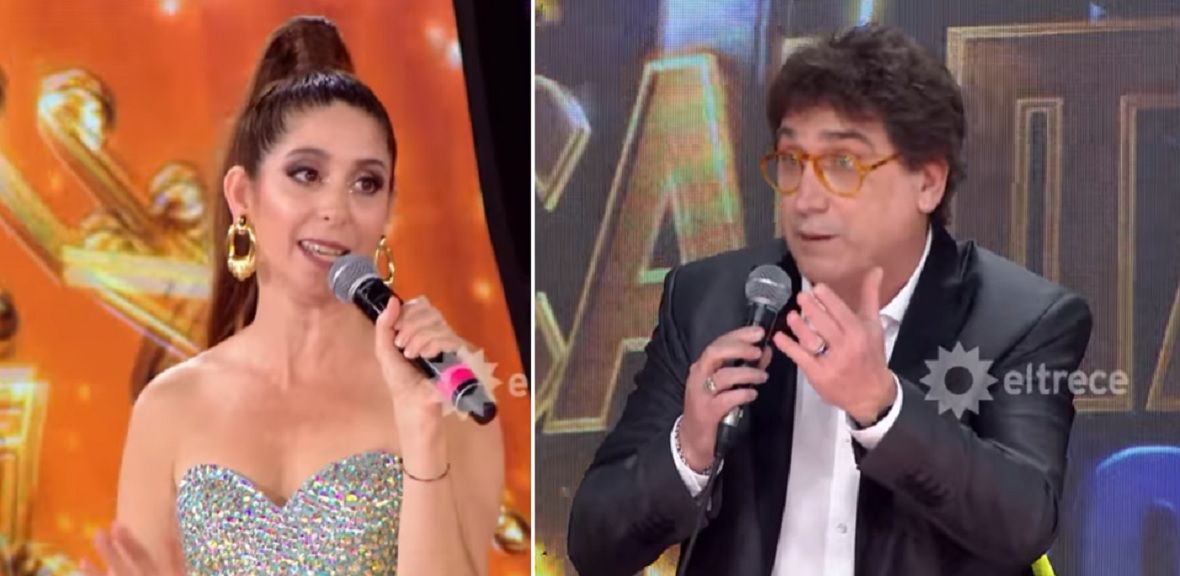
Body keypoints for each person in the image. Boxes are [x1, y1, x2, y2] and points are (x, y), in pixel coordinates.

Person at [568, 24, 1092, 576]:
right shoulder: (710, 302)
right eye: (792, 161)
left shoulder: (1018, 318)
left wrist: (884, 408)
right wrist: (689, 450)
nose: (805, 198)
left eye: (843, 164)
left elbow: (1023, 523)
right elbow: (594, 544)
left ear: (928, 182)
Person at [81, 16, 503, 576]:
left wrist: (422, 431)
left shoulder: (450, 388)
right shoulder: (169, 407)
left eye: (366, 183)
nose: (335, 209)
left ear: (388, 210)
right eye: (306, 174)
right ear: (243, 195)